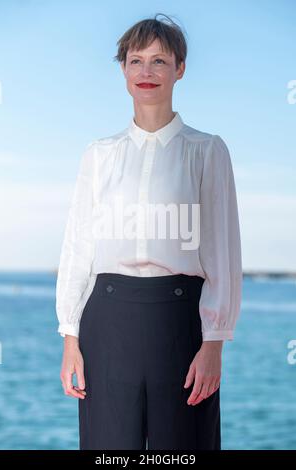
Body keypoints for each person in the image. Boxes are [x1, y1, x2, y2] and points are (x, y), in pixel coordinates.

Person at [56, 13, 243, 450]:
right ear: (122, 69)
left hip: (181, 322)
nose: (146, 72)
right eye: (135, 60)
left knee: (184, 452)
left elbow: (222, 251)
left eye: (159, 61)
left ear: (180, 69)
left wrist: (214, 343)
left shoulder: (207, 150)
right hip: (106, 319)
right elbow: (78, 247)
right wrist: (70, 337)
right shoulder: (98, 155)